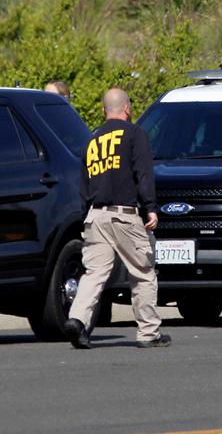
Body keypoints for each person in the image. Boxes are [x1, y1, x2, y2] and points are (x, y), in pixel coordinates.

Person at [65, 88, 170, 349]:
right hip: (124, 215)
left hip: (95, 216)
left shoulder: (92, 140)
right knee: (143, 272)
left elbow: (84, 184)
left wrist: (84, 217)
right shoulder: (135, 135)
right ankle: (149, 333)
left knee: (94, 273)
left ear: (104, 111)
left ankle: (77, 320)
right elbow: (143, 174)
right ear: (128, 108)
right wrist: (151, 208)